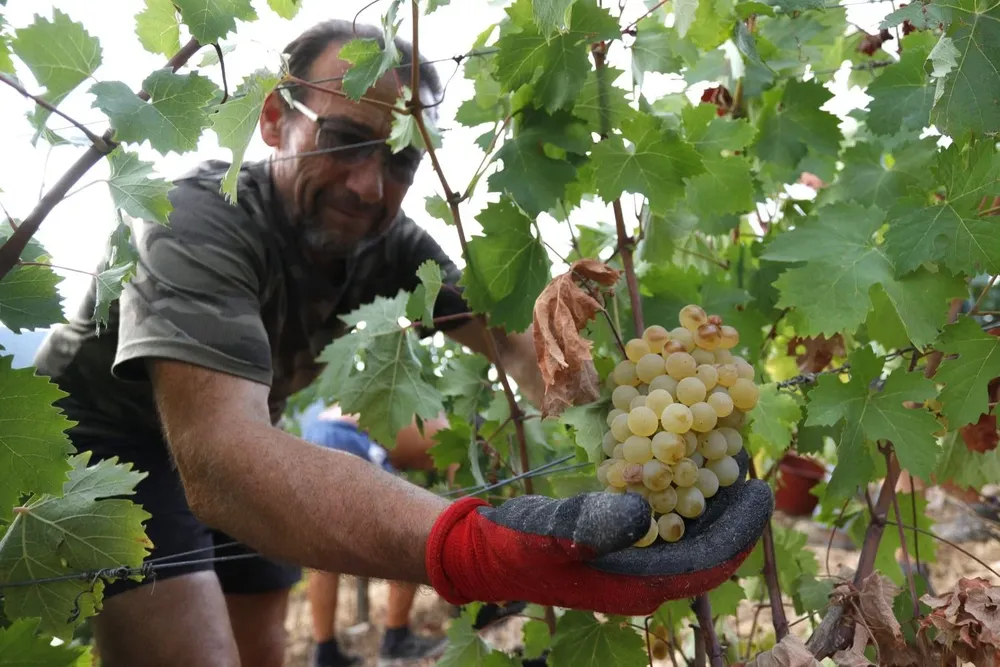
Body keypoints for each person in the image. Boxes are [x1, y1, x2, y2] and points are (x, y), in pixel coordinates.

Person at [31, 17, 774, 667]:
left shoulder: (390, 245)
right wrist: (471, 545)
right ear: (271, 120)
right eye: (344, 141)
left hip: (251, 434)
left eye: (399, 159)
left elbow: (516, 346)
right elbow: (219, 459)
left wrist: (640, 423)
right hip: (107, 446)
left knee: (263, 652)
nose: (367, 184)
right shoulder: (195, 219)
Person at [298, 405, 451, 666]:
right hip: (348, 438)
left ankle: (325, 654)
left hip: (316, 437)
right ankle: (396, 641)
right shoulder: (451, 434)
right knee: (412, 535)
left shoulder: (419, 417)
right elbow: (465, 499)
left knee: (323, 553)